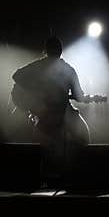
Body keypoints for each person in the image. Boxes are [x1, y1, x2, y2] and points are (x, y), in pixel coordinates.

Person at [11, 36, 94, 178]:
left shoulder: (39, 66)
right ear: (60, 51)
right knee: (84, 136)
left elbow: (16, 75)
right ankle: (79, 173)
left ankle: (42, 173)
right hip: (59, 112)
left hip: (47, 113)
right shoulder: (68, 69)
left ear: (46, 51)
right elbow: (79, 96)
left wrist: (34, 93)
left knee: (39, 144)